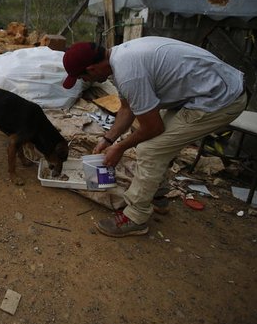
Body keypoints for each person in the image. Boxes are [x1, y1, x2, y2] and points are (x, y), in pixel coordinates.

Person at [62, 37, 246, 237]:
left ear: (91, 69)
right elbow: (127, 109)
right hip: (204, 90)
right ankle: (157, 192)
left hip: (220, 98)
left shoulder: (129, 73)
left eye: (82, 77)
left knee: (150, 149)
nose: (84, 82)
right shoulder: (119, 59)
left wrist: (120, 147)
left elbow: (153, 127)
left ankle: (135, 217)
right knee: (150, 141)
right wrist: (108, 140)